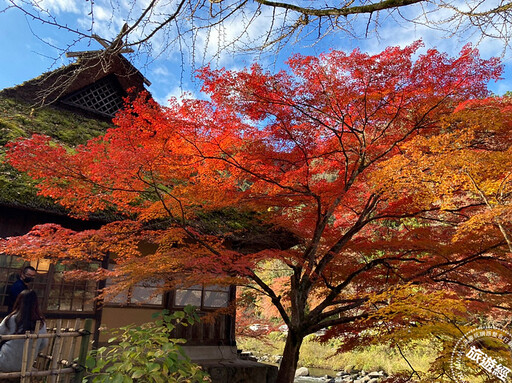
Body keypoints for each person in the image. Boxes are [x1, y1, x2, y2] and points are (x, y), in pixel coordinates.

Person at [0, 290, 48, 372]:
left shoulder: (10, 319)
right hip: (26, 365)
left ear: (19, 302)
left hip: (3, 363)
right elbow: (44, 344)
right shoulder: (40, 324)